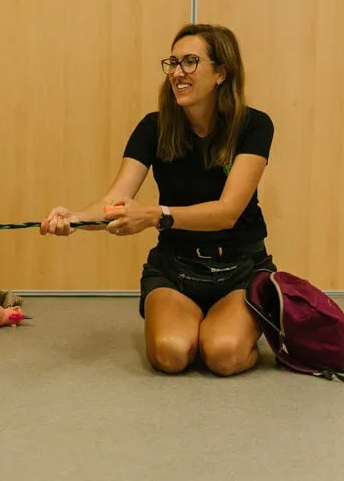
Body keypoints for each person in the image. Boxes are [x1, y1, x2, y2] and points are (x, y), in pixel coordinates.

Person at [40, 23, 276, 377]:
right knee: (171, 354)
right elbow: (115, 201)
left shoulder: (254, 125)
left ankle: (234, 327)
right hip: (175, 268)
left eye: (190, 62)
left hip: (241, 269)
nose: (178, 73)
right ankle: (200, 325)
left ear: (221, 73)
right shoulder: (153, 128)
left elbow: (227, 212)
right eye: (173, 63)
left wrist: (155, 215)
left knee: (223, 355)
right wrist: (74, 219)